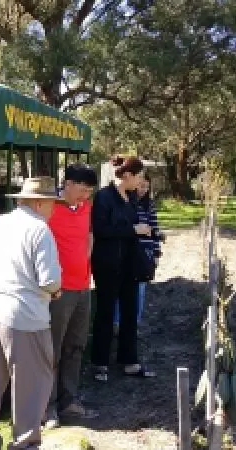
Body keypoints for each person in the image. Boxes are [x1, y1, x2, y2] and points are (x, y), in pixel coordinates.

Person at [0, 176, 62, 450]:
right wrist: (56, 290)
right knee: (31, 388)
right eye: (53, 203)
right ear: (41, 203)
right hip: (24, 318)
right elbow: (50, 281)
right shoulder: (39, 230)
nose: (54, 209)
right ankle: (25, 444)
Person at [89, 156, 156, 382]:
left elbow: (134, 225)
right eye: (138, 176)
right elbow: (101, 229)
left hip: (130, 265)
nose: (140, 181)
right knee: (106, 313)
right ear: (126, 175)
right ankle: (100, 363)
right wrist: (133, 229)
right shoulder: (103, 197)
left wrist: (144, 230)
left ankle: (130, 361)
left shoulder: (132, 198)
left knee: (130, 313)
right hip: (107, 265)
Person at [44, 164, 99, 429]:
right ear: (67, 183)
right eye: (82, 189)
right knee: (51, 348)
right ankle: (47, 408)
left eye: (90, 192)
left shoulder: (86, 207)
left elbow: (89, 235)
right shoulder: (48, 207)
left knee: (75, 346)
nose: (85, 196)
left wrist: (85, 257)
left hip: (82, 287)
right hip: (57, 290)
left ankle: (69, 400)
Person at [113, 174, 163, 331]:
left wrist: (156, 253)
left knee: (140, 289)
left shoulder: (149, 205)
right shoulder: (127, 203)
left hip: (144, 253)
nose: (143, 190)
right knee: (120, 288)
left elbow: (154, 230)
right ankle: (116, 322)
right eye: (141, 186)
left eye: (146, 187)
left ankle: (134, 322)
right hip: (127, 252)